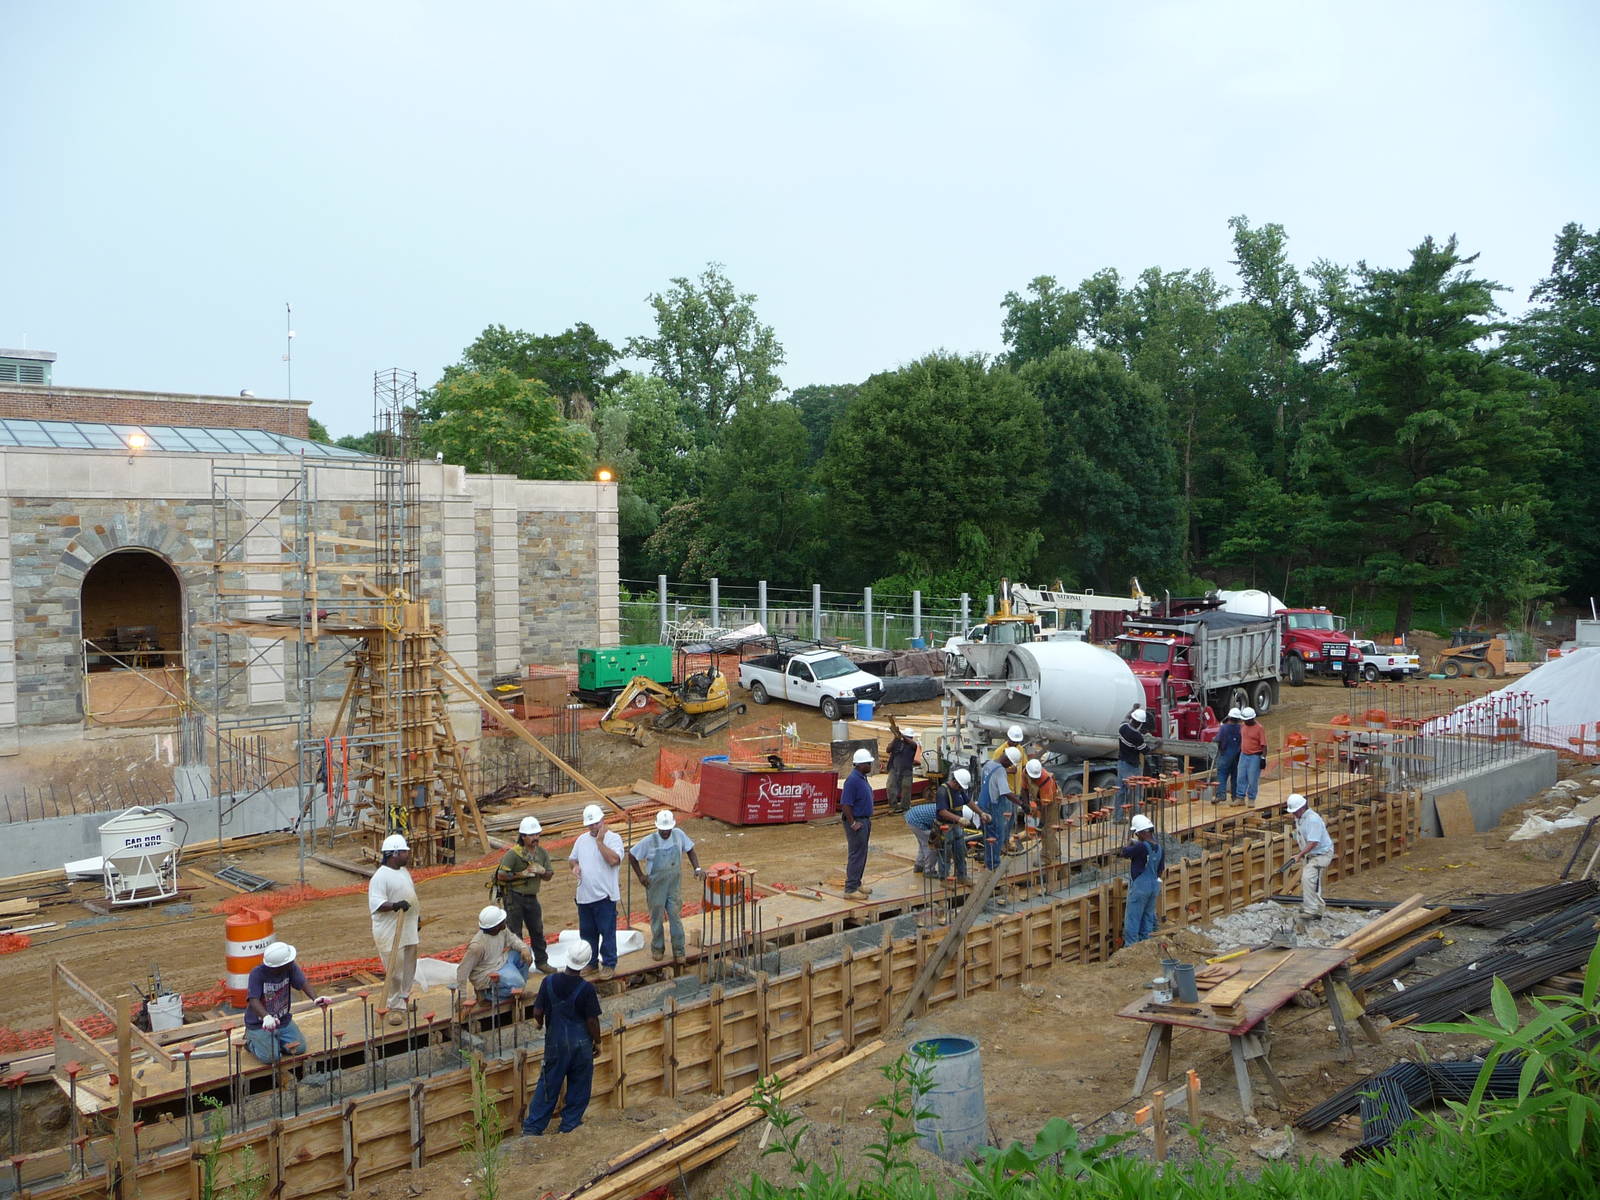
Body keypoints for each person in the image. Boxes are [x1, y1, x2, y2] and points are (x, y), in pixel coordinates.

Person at [521, 940, 603, 1136]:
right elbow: (592, 1021)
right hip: (581, 1045)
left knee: (548, 1085)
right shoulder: (587, 989)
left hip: (555, 1044)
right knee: (579, 1085)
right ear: (585, 963)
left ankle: (532, 1129)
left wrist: (539, 1023)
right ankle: (569, 1126)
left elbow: (537, 1011)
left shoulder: (548, 982)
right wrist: (598, 1042)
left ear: (567, 958)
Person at [628, 810, 704, 963]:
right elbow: (632, 855)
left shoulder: (678, 835)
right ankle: (657, 948)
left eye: (667, 829)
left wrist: (697, 868)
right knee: (656, 917)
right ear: (657, 827)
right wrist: (641, 876)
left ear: (672, 826)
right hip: (655, 886)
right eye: (662, 830)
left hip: (673, 884)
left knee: (675, 916)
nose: (665, 832)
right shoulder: (649, 841)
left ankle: (679, 950)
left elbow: (690, 850)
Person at [244, 942, 326, 1062]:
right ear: (279, 966)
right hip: (260, 1025)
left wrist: (315, 998)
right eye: (289, 961)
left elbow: (303, 983)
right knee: (272, 1058)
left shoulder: (290, 968)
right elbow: (253, 1000)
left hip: (282, 1020)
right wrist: (266, 1017)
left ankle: (274, 1042)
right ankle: (250, 1041)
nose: (292, 962)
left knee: (298, 1049)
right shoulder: (257, 974)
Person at [368, 833, 419, 1025]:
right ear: (394, 854)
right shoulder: (380, 877)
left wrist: (417, 917)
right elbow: (377, 903)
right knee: (395, 970)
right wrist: (395, 905)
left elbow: (410, 894)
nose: (408, 854)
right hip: (390, 931)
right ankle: (395, 1007)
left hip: (408, 927)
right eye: (405, 851)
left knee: (408, 967)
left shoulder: (404, 872)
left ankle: (403, 999)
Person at [570, 804, 624, 979]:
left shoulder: (613, 839)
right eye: (590, 825)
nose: (593, 827)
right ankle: (591, 962)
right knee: (587, 933)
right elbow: (572, 859)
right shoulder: (581, 840)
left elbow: (614, 860)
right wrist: (575, 866)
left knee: (607, 932)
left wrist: (600, 842)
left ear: (603, 821)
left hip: (604, 896)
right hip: (584, 896)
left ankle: (609, 963)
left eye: (596, 823)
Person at [495, 817, 555, 974]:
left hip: (531, 897)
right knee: (515, 933)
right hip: (514, 897)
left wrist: (542, 871)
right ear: (523, 836)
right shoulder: (513, 854)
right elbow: (501, 875)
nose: (536, 838)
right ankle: (519, 966)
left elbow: (549, 875)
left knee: (537, 930)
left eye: (537, 834)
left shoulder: (542, 853)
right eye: (532, 835)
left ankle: (542, 962)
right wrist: (521, 874)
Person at [457, 905, 534, 1005]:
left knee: (525, 951)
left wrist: (523, 949)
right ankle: (487, 995)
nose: (505, 922)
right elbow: (462, 971)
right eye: (502, 921)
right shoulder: (477, 946)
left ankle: (517, 992)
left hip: (501, 961)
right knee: (518, 983)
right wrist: (462, 997)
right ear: (496, 926)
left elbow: (513, 940)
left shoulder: (502, 930)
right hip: (487, 973)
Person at [903, 781, 970, 875]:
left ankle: (919, 866)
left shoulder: (946, 808)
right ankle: (929, 871)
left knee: (923, 844)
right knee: (932, 846)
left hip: (912, 816)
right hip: (917, 820)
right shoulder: (946, 814)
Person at [1118, 815, 1165, 945]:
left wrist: (1130, 844)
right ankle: (1145, 945)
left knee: (1133, 918)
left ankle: (1131, 947)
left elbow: (1124, 853)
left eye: (1137, 833)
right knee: (1147, 917)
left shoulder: (1141, 847)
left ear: (1141, 832)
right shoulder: (1160, 848)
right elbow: (1160, 870)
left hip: (1140, 888)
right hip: (1154, 886)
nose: (1137, 836)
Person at [1285, 793, 1334, 919]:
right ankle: (1317, 909)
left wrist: (1299, 855)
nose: (1293, 814)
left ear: (1302, 808)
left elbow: (1313, 842)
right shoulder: (1300, 818)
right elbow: (1303, 833)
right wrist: (1295, 836)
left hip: (1322, 854)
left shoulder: (1313, 819)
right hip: (1312, 854)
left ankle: (1311, 910)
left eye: (1295, 811)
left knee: (1308, 878)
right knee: (1313, 882)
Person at [976, 747, 1020, 873]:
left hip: (982, 804)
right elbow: (1005, 792)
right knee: (997, 836)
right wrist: (1021, 803)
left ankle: (988, 863)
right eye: (1010, 763)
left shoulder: (989, 764)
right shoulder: (1000, 770)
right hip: (992, 805)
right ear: (1007, 760)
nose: (1010, 766)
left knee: (987, 835)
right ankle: (994, 866)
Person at [933, 768, 982, 882]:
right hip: (945, 827)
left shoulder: (959, 790)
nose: (961, 789)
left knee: (960, 851)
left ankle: (961, 876)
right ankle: (944, 878)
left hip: (956, 826)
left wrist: (981, 813)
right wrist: (959, 819)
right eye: (960, 787)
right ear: (955, 782)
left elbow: (969, 802)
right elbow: (942, 811)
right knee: (945, 853)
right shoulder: (942, 791)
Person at [840, 748, 875, 900]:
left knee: (862, 853)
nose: (870, 766)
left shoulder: (862, 778)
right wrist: (853, 823)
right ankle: (850, 889)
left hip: (864, 820)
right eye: (868, 763)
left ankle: (857, 883)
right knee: (856, 855)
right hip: (857, 821)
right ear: (860, 765)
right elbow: (846, 804)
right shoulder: (852, 781)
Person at [1018, 758, 1061, 862]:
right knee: (1047, 830)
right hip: (1040, 799)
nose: (1033, 779)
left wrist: (1041, 823)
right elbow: (1024, 789)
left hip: (1052, 801)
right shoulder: (1025, 772)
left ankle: (1047, 858)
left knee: (1048, 829)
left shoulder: (1046, 780)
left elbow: (1045, 806)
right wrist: (1026, 805)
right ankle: (1055, 851)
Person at [1116, 709, 1155, 815]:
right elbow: (1146, 751)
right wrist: (1157, 744)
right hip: (1131, 766)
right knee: (1135, 793)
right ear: (1139, 723)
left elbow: (1126, 718)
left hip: (1121, 763)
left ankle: (1118, 818)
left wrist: (1133, 709)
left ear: (1132, 719)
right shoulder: (1136, 736)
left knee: (1120, 792)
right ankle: (1135, 817)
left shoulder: (1122, 727)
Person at [884, 725, 919, 814]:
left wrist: (901, 735)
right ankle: (894, 806)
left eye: (909, 737)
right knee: (891, 786)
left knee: (906, 788)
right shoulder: (897, 742)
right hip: (894, 768)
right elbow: (888, 750)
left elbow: (914, 745)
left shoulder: (913, 745)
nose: (908, 739)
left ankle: (905, 807)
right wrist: (895, 738)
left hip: (907, 770)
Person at [1237, 707, 1267, 803]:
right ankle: (1240, 797)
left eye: (1246, 720)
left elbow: (1264, 745)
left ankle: (1251, 798)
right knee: (1241, 776)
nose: (1244, 721)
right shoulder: (1243, 726)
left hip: (1255, 756)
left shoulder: (1259, 728)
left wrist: (1263, 758)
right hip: (1243, 755)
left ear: (1252, 718)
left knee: (1252, 778)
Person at [1214, 708, 1243, 803]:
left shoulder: (1224, 728)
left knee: (1222, 774)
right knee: (1235, 776)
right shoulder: (1241, 728)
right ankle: (1235, 796)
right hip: (1237, 756)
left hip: (1225, 755)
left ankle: (1221, 795)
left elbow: (1218, 740)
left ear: (1229, 717)